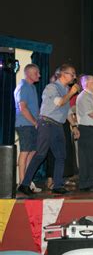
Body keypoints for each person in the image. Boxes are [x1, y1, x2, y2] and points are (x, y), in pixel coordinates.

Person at [17, 64, 80, 195]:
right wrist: (72, 92)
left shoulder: (66, 89)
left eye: (74, 74)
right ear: (63, 73)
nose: (74, 77)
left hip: (58, 125)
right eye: (72, 74)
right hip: (47, 123)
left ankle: (58, 185)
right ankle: (24, 184)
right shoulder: (52, 87)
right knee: (40, 154)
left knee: (61, 155)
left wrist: (74, 126)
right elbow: (59, 102)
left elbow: (67, 110)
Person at [14, 64, 41, 192]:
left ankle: (27, 181)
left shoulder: (32, 87)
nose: (39, 75)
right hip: (24, 124)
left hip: (32, 124)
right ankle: (22, 183)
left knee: (33, 151)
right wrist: (35, 122)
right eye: (36, 73)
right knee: (25, 151)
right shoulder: (23, 87)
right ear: (29, 74)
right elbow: (22, 108)